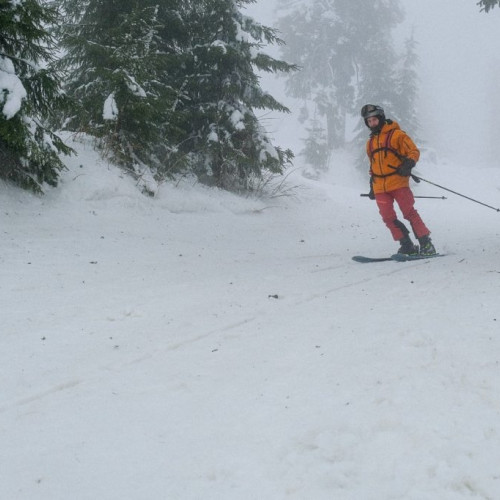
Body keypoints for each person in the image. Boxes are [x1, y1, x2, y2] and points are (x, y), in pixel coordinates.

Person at [361, 104, 436, 256]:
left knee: (409, 212)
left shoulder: (397, 135)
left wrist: (408, 163)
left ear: (381, 118)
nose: (372, 124)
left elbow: (413, 151)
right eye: (369, 121)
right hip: (380, 186)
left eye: (374, 120)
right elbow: (373, 165)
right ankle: (407, 245)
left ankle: (426, 243)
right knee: (387, 217)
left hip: (398, 182)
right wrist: (372, 186)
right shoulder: (370, 143)